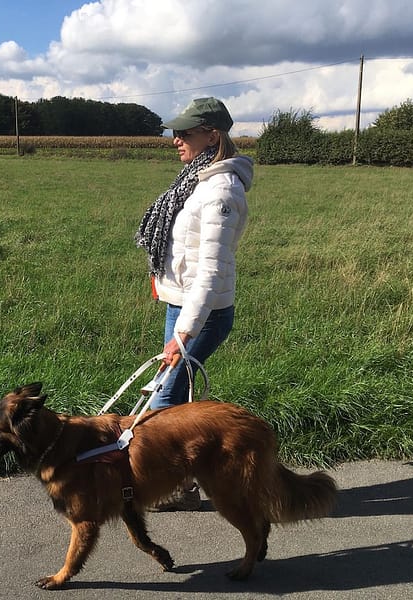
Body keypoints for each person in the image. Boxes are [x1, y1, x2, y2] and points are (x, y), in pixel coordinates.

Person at [135, 97, 253, 511]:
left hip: (202, 314)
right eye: (175, 132)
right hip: (183, 306)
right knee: (174, 397)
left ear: (212, 135)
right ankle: (185, 480)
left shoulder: (222, 190)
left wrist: (183, 332)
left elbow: (211, 271)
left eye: (184, 133)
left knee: (164, 404)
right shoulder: (198, 179)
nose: (175, 140)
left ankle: (170, 485)